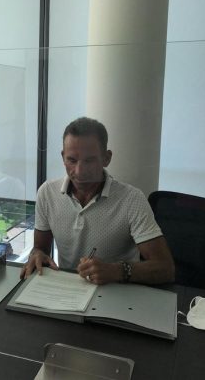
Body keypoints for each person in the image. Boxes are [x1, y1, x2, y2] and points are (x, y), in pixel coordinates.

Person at [21, 117, 174, 285]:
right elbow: (40, 249)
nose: (79, 171)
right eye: (72, 160)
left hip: (118, 293)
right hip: (67, 290)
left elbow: (165, 269)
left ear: (106, 158)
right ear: (63, 157)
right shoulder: (47, 193)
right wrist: (37, 254)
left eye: (89, 161)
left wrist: (116, 271)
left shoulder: (131, 199)